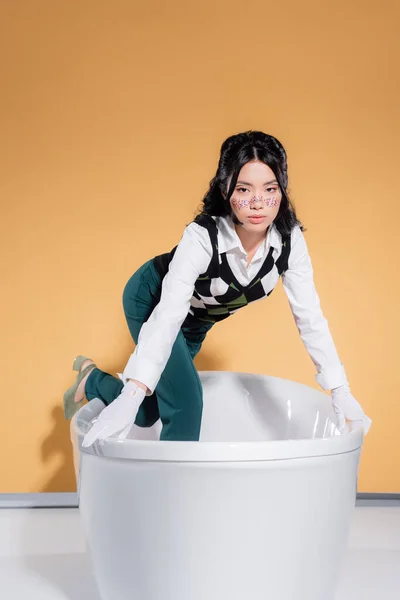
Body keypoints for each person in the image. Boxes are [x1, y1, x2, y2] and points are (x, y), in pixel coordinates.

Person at [63, 130, 372, 447]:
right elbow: (168, 313)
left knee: (147, 411)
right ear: (225, 189)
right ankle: (174, 495)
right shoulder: (201, 236)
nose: (257, 203)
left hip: (198, 319)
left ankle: (92, 380)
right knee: (185, 404)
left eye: (270, 189)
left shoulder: (289, 241)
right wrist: (130, 392)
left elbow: (310, 318)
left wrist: (340, 390)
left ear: (282, 190)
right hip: (152, 298)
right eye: (243, 188)